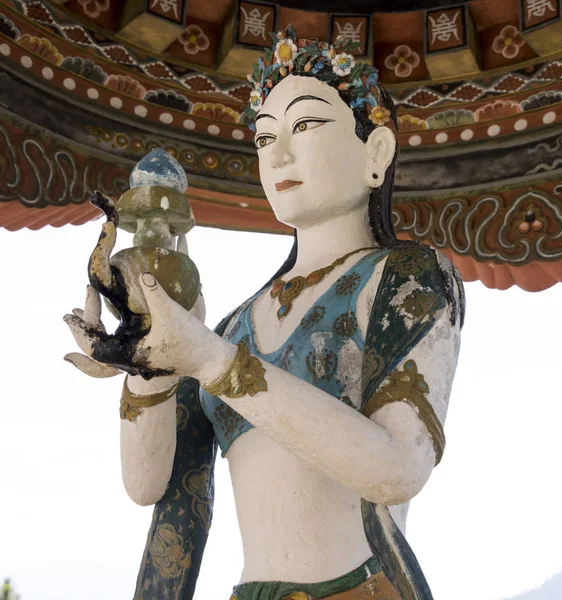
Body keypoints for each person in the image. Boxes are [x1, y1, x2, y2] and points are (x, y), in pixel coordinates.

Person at [64, 27, 465, 600]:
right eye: (263, 137)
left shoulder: (405, 277)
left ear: (375, 152)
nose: (278, 153)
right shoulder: (232, 325)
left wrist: (209, 359)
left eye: (306, 125)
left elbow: (398, 469)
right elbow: (149, 485)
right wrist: (146, 361)